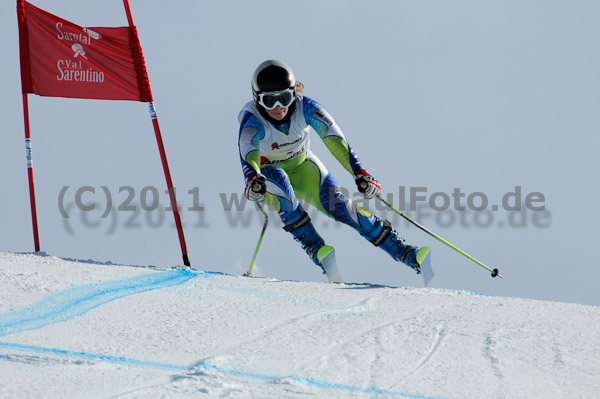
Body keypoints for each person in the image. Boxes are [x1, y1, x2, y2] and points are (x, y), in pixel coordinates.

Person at [238, 59, 427, 278]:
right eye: (269, 101)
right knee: (280, 185)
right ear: (257, 99)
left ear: (293, 94)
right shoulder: (252, 119)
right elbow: (248, 152)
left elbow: (335, 139)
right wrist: (253, 180)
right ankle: (316, 249)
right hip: (267, 176)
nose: (278, 107)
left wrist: (359, 172)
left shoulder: (306, 107)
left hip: (303, 166)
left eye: (284, 98)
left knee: (340, 206)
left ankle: (404, 252)